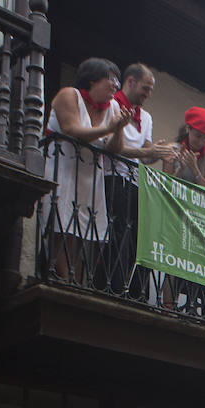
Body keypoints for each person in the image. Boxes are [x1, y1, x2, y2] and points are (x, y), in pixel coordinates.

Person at [42, 57, 130, 281]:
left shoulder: (112, 107)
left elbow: (114, 149)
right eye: (111, 80)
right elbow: (71, 128)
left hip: (90, 176)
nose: (115, 87)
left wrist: (118, 129)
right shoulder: (69, 95)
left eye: (117, 83)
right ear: (92, 79)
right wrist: (108, 127)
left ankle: (71, 277)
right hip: (64, 167)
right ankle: (64, 277)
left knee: (80, 229)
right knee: (60, 222)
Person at [104, 62, 175, 297]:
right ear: (130, 82)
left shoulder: (145, 117)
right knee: (115, 234)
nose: (148, 94)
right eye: (145, 88)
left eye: (151, 90)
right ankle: (111, 285)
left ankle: (132, 289)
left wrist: (159, 152)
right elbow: (113, 147)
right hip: (112, 177)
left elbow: (146, 158)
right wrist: (149, 152)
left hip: (135, 183)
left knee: (134, 237)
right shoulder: (112, 106)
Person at [163, 107, 205, 190]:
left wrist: (195, 169)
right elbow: (167, 185)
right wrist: (180, 169)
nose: (201, 142)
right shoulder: (172, 149)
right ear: (188, 129)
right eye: (198, 136)